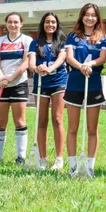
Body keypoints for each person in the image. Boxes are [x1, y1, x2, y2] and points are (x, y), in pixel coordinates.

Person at [65, 3, 106, 178]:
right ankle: (72, 165)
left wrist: (90, 64)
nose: (90, 18)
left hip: (93, 85)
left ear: (97, 18)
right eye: (87, 14)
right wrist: (80, 66)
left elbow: (102, 58)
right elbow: (69, 58)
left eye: (93, 15)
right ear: (82, 16)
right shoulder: (72, 36)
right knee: (73, 128)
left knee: (92, 128)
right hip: (75, 84)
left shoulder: (102, 37)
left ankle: (90, 166)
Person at [0, 12, 33, 164]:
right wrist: (2, 77)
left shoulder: (27, 40)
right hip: (0, 84)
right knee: (0, 122)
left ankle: (20, 157)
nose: (13, 25)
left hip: (18, 84)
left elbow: (25, 63)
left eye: (16, 22)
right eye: (10, 22)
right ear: (6, 24)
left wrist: (11, 78)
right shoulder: (0, 41)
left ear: (21, 24)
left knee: (20, 121)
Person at [28, 12, 67, 171]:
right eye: (47, 22)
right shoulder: (35, 43)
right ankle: (42, 159)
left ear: (57, 24)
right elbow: (30, 63)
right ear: (42, 24)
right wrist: (37, 68)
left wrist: (49, 68)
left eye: (53, 22)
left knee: (57, 119)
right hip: (41, 83)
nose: (50, 25)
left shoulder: (63, 41)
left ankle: (59, 159)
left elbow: (61, 59)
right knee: (41, 121)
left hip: (58, 81)